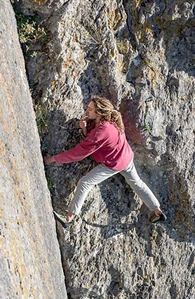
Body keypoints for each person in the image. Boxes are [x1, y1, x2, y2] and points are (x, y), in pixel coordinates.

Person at [43, 96, 166, 226]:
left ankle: (69, 218)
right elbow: (95, 139)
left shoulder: (102, 131)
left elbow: (78, 153)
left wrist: (51, 159)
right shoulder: (110, 120)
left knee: (85, 183)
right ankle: (157, 210)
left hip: (114, 164)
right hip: (127, 157)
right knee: (137, 183)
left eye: (90, 109)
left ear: (99, 113)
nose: (86, 111)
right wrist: (84, 129)